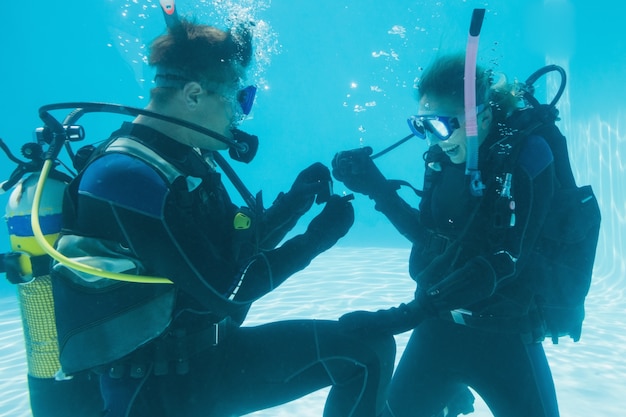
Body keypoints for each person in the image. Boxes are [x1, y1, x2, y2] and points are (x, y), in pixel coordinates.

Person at [50, 18, 395, 417]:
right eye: (239, 98)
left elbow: (232, 247)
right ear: (193, 95)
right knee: (364, 352)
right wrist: (317, 238)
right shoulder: (126, 179)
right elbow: (228, 294)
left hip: (208, 362)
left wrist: (293, 205)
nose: (240, 115)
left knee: (367, 351)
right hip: (157, 393)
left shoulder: (182, 158)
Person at [332, 53, 561, 417]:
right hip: (438, 327)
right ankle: (451, 389)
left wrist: (404, 315)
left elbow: (504, 262)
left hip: (504, 334)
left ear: (481, 116)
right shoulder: (442, 159)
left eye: (438, 126)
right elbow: (429, 238)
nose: (430, 141)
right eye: (420, 126)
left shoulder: (527, 156)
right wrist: (377, 188)